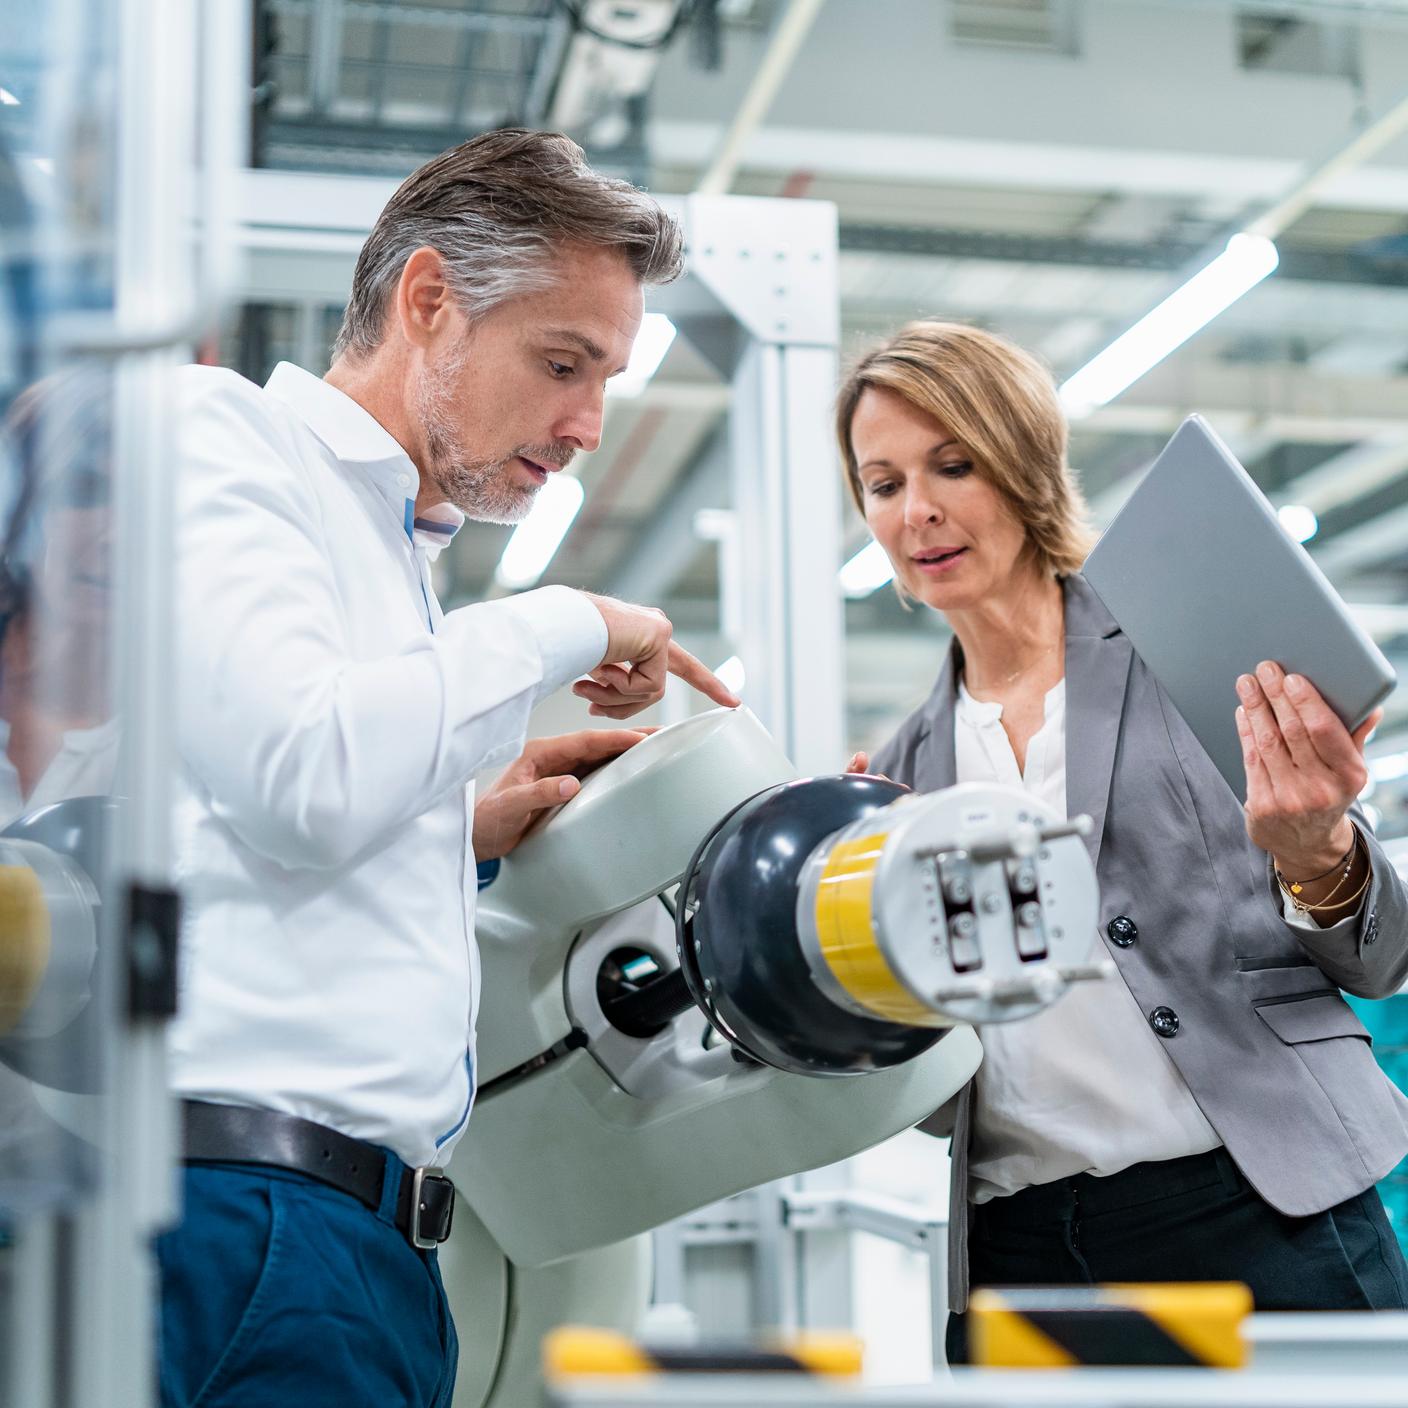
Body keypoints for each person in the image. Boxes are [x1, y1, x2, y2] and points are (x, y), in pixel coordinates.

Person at [158, 129, 737, 1408]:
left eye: (607, 380)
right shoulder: (224, 441)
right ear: (428, 302)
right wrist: (566, 623)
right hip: (241, 1222)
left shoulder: (393, 554)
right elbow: (302, 773)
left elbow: (256, 815)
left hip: (360, 1244)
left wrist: (460, 823)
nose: (586, 424)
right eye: (562, 362)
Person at [838, 320, 1408, 1359]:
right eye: (882, 483)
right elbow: (936, 1092)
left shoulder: (1189, 647)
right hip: (1023, 1248)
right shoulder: (897, 778)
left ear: (1022, 463)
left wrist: (1318, 851)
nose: (915, 510)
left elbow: (1379, 954)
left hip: (1260, 1209)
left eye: (951, 465)